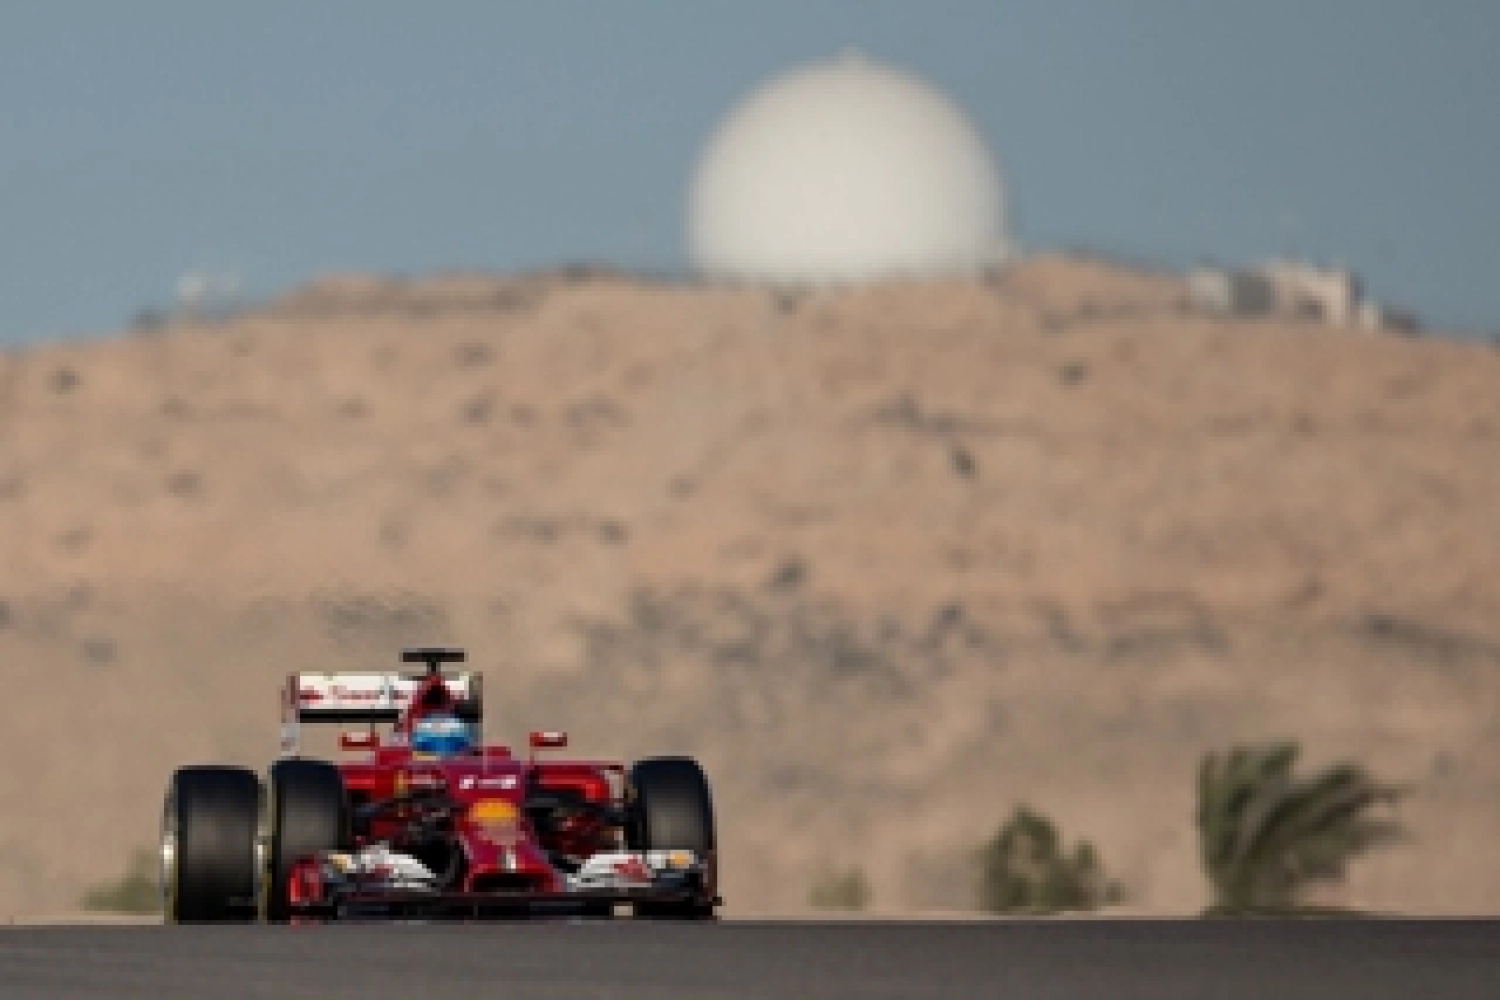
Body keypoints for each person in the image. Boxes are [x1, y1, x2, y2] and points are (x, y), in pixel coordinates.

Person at [409, 713, 476, 758]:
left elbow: (416, 753)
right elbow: (467, 751)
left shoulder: (422, 726)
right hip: (453, 765)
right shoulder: (459, 724)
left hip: (433, 767)